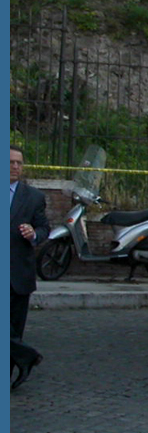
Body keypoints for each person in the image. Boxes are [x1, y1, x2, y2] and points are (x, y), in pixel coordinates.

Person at [10, 146, 50, 342]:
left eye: (19, 163)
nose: (15, 167)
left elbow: (44, 229)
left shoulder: (34, 197)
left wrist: (33, 234)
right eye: (11, 162)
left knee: (14, 334)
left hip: (17, 277)